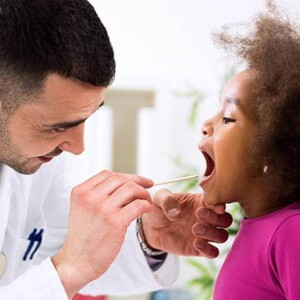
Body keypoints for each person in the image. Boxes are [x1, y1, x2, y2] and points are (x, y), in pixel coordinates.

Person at [0, 1, 233, 299]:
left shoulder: (35, 157)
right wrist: (70, 268)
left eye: (87, 117)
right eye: (57, 127)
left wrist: (147, 238)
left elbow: (51, 254)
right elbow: (64, 268)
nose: (78, 147)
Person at [197, 1, 300, 299]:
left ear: (272, 148)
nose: (206, 124)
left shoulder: (290, 233)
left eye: (228, 117)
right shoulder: (260, 227)